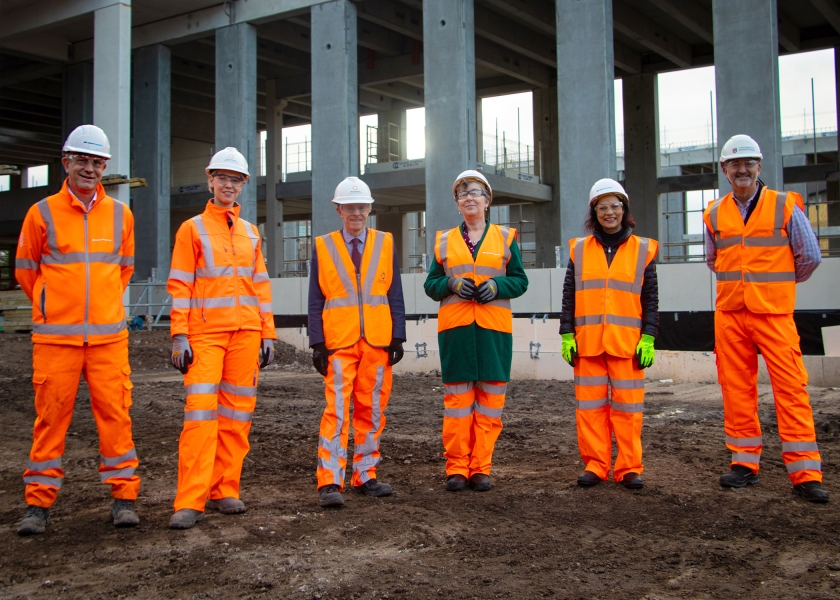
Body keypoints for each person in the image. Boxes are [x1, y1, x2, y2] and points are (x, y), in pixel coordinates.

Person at [15, 124, 140, 535]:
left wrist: (98, 307)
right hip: (56, 339)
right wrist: (57, 306)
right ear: (65, 162)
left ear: (105, 168)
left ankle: (124, 498)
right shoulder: (42, 213)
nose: (89, 169)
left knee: (116, 417)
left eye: (97, 162)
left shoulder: (121, 215)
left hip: (107, 340)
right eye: (82, 160)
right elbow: (27, 271)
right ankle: (38, 505)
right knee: (50, 420)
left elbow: (123, 271)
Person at [703, 134, 828, 503]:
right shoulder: (713, 213)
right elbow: (714, 260)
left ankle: (805, 473)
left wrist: (777, 286)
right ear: (725, 170)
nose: (742, 170)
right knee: (736, 391)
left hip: (774, 315)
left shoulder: (785, 206)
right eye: (734, 165)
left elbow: (809, 257)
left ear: (759, 167)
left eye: (748, 163)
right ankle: (744, 464)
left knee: (791, 391)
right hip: (730, 314)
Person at [167, 147, 278, 529]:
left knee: (237, 414)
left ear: (243, 185)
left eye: (236, 179)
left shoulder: (250, 232)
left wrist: (268, 332)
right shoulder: (192, 228)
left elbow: (260, 285)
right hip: (205, 334)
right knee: (200, 416)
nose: (228, 185)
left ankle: (225, 488)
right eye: (223, 178)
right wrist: (179, 334)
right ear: (210, 179)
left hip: (247, 333)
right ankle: (190, 499)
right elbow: (180, 285)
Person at [424, 170, 528, 492]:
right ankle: (456, 468)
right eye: (463, 193)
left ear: (487, 201)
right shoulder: (444, 241)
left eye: (476, 192)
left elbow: (520, 280)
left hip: (493, 332)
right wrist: (451, 283)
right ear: (457, 204)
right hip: (456, 333)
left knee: (490, 403)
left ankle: (481, 468)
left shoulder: (506, 238)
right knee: (457, 405)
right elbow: (431, 285)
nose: (470, 197)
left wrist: (497, 285)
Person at [308, 177, 406, 507]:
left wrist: (398, 336)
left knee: (373, 410)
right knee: (336, 411)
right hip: (338, 341)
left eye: (361, 207)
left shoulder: (385, 242)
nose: (356, 213)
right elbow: (315, 298)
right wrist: (317, 343)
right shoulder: (323, 246)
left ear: (370, 209)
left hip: (377, 341)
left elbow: (395, 293)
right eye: (350, 207)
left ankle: (365, 474)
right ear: (338, 210)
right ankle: (330, 481)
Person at [559, 179, 658, 490]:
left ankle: (629, 468)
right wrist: (566, 334)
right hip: (587, 345)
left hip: (627, 345)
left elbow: (651, 297)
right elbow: (569, 295)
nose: (609, 212)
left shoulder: (643, 249)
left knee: (628, 409)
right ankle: (596, 465)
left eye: (615, 205)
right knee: (590, 410)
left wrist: (649, 337)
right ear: (594, 212)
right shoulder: (578, 249)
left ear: (624, 208)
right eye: (602, 207)